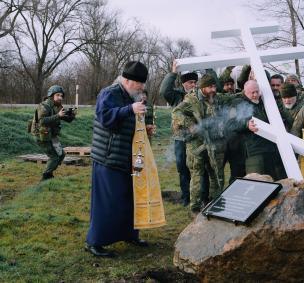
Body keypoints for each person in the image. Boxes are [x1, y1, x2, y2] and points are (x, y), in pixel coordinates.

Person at [86, 61, 150, 257]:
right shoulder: (109, 93)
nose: (141, 88)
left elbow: (125, 122)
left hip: (127, 158)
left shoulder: (130, 95)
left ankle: (130, 234)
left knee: (130, 199)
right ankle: (94, 242)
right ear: (128, 80)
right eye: (139, 83)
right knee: (107, 202)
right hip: (108, 157)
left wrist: (144, 128)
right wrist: (130, 109)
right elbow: (105, 117)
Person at [172, 74, 226, 214]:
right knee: (196, 174)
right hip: (196, 143)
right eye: (210, 87)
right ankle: (195, 208)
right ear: (202, 88)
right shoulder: (191, 99)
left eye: (214, 86)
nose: (214, 89)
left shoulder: (216, 98)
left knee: (216, 173)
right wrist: (191, 125)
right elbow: (176, 112)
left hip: (213, 141)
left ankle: (216, 203)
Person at [229, 80, 287, 181]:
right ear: (245, 92)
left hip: (270, 149)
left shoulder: (266, 102)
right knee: (256, 182)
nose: (255, 95)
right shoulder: (237, 104)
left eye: (257, 91)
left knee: (273, 181)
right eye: (252, 93)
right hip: (253, 151)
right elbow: (230, 124)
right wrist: (246, 125)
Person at [159, 60, 198, 207]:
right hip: (180, 138)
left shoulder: (200, 96)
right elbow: (164, 91)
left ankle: (200, 196)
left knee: (198, 168)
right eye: (190, 83)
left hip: (197, 139)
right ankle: (186, 197)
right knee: (182, 168)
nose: (193, 85)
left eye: (195, 82)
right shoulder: (177, 97)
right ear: (183, 84)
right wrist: (173, 73)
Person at [35, 85, 75, 181]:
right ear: (51, 95)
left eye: (61, 96)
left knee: (61, 155)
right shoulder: (44, 106)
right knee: (54, 157)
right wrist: (58, 115)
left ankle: (49, 173)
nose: (60, 97)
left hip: (52, 135)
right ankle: (46, 177)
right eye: (58, 95)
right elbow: (41, 121)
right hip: (42, 135)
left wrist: (71, 115)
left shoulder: (57, 106)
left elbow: (66, 119)